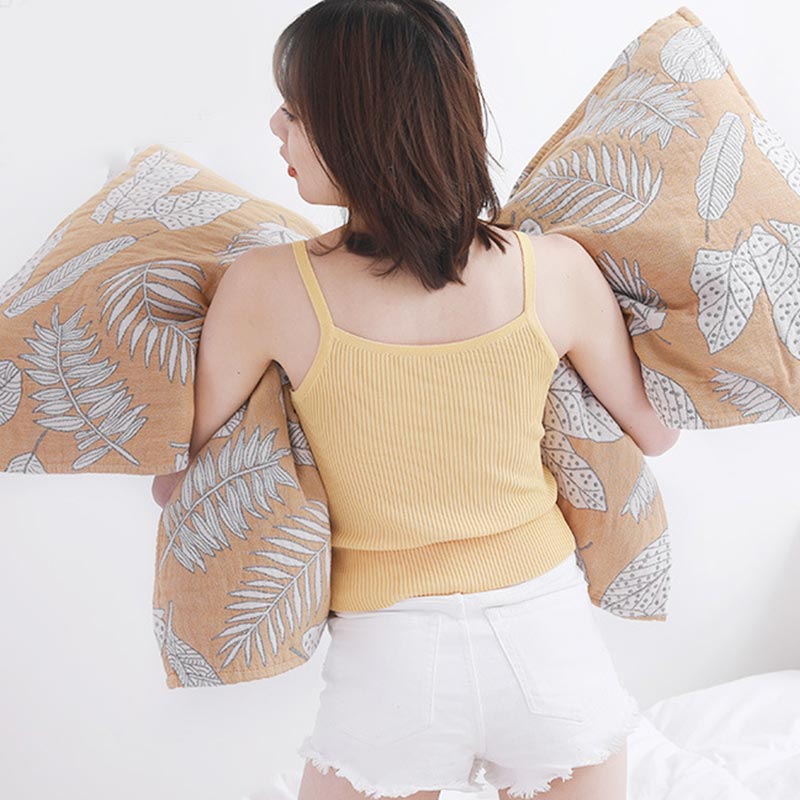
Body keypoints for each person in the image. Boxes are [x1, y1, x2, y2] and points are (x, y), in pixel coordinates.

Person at [153, 1, 680, 797]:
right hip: (548, 644)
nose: (274, 126)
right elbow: (655, 433)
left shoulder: (266, 287)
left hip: (389, 664)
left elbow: (179, 484)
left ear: (357, 126)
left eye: (295, 110)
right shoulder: (556, 269)